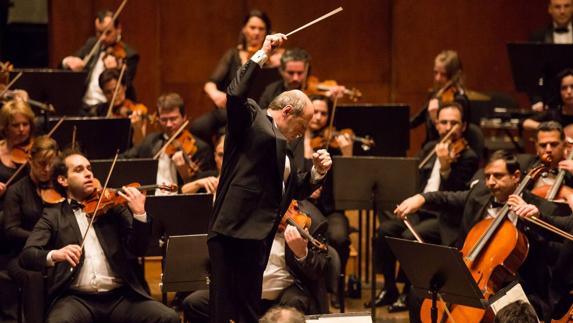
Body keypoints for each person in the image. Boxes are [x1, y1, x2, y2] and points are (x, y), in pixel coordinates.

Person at [208, 33, 332, 323]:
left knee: (249, 311)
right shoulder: (252, 118)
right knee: (224, 313)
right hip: (232, 233)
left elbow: (292, 189)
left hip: (257, 238)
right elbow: (235, 93)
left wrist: (318, 172)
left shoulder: (285, 151)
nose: (302, 133)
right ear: (288, 111)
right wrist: (261, 53)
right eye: (302, 125)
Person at [395, 150, 563, 321]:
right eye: (487, 176)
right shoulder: (480, 194)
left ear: (516, 176)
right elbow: (448, 198)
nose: (491, 182)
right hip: (472, 272)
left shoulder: (540, 209)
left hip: (518, 284)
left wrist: (529, 222)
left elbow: (555, 252)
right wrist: (421, 198)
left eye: (498, 176)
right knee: (418, 294)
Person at [18, 150, 179, 323]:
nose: (88, 173)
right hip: (76, 299)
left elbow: (139, 248)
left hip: (120, 297)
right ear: (62, 180)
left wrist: (140, 214)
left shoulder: (112, 207)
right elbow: (27, 256)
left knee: (169, 317)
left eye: (89, 168)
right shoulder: (53, 215)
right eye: (79, 170)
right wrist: (55, 254)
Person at [370, 102, 478, 311]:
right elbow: (416, 180)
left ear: (463, 126)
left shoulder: (468, 156)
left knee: (410, 238)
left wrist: (446, 168)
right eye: (443, 122)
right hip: (420, 209)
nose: (447, 128)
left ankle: (409, 292)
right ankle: (389, 287)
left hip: (444, 216)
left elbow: (454, 197)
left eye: (453, 123)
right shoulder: (429, 148)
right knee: (384, 231)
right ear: (437, 125)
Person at [183, 200, 329, 321]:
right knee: (194, 303)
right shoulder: (244, 212)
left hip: (284, 296)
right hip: (246, 292)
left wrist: (302, 252)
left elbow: (320, 270)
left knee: (292, 306)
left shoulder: (310, 219)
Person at [191, 9, 280, 145]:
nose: (256, 32)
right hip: (231, 110)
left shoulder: (274, 59)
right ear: (244, 30)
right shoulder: (233, 55)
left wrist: (271, 55)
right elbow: (210, 83)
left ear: (267, 32)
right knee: (197, 127)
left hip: (257, 112)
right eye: (252, 28)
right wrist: (216, 95)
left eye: (261, 29)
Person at [2, 136, 58, 323]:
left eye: (52, 164)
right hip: (19, 256)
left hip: (56, 253)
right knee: (34, 277)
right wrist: (41, 240)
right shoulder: (16, 191)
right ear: (30, 161)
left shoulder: (61, 188)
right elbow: (11, 230)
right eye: (42, 164)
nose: (47, 169)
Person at [122, 92, 213, 194]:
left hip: (182, 204)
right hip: (151, 202)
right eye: (164, 119)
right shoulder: (150, 141)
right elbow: (125, 159)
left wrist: (185, 174)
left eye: (173, 119)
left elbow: (204, 189)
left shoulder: (200, 148)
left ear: (184, 118)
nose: (169, 124)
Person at [62, 10, 139, 109]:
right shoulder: (92, 44)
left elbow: (125, 85)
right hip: (83, 106)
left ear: (119, 29)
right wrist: (67, 62)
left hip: (107, 108)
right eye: (99, 32)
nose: (102, 38)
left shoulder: (129, 55)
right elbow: (69, 63)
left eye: (108, 33)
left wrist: (115, 70)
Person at [410, 50, 470, 147]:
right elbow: (415, 121)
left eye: (443, 74)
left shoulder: (459, 100)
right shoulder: (435, 94)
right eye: (436, 73)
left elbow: (450, 137)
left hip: (448, 149)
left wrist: (435, 120)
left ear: (454, 75)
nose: (437, 78)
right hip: (429, 147)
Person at [81, 68, 150, 146]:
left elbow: (140, 145)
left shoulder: (138, 109)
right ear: (103, 93)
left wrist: (137, 128)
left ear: (124, 87)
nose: (113, 95)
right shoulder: (98, 111)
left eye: (117, 90)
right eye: (108, 92)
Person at [529, 0, 573, 111]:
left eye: (566, 6)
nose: (562, 11)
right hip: (549, 103)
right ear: (550, 9)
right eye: (557, 7)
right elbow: (533, 72)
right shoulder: (538, 36)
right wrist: (537, 100)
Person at [0, 99, 35, 208]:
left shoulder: (36, 149)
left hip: (31, 209)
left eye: (25, 124)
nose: (21, 129)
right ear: (5, 128)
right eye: (15, 125)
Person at [523, 69, 573, 134]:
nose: (569, 92)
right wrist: (547, 127)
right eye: (564, 88)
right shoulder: (554, 114)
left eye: (572, 87)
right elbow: (526, 123)